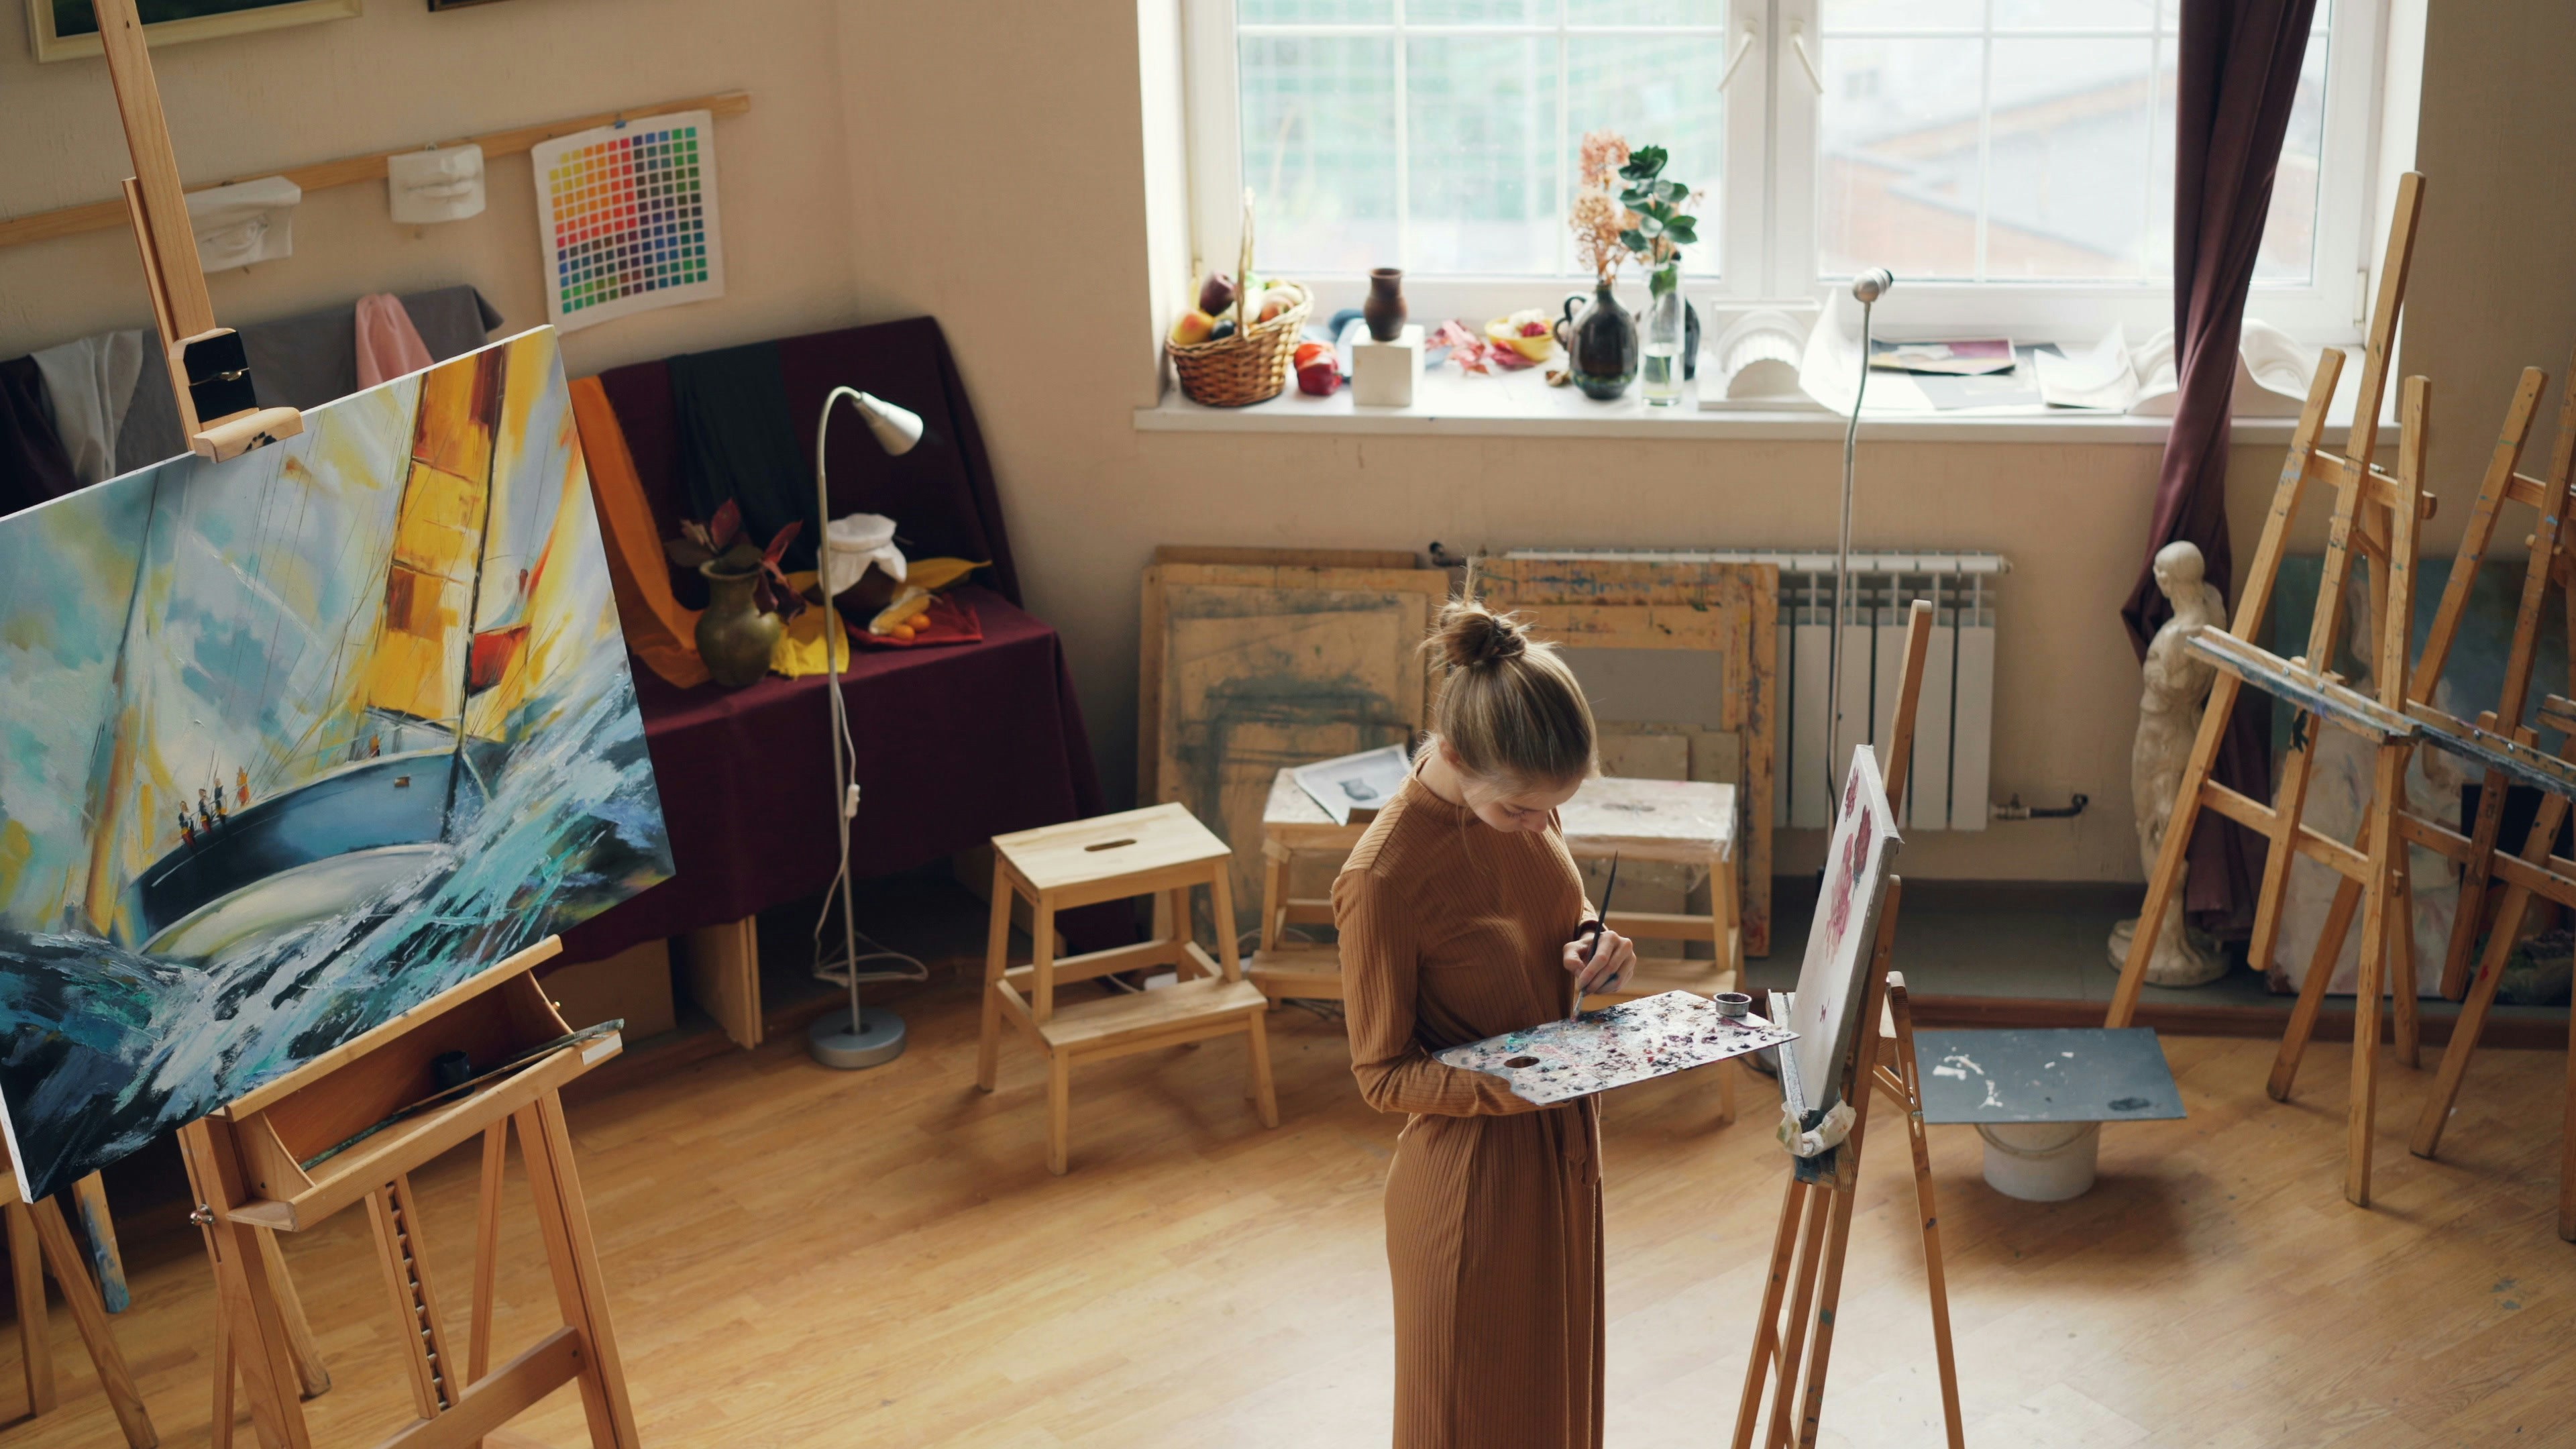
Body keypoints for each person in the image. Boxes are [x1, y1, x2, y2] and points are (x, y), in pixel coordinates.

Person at [1333, 599, 1636, 1449]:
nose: (1541, 827)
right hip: (1474, 1188)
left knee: (1555, 1407)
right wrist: (1525, 1078)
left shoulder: (1519, 802)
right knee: (1467, 1420)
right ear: (1458, 758)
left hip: (1562, 1156)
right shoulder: (1384, 879)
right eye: (1521, 813)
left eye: (1554, 810)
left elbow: (1558, 907)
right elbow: (1382, 1074)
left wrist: (1593, 945)